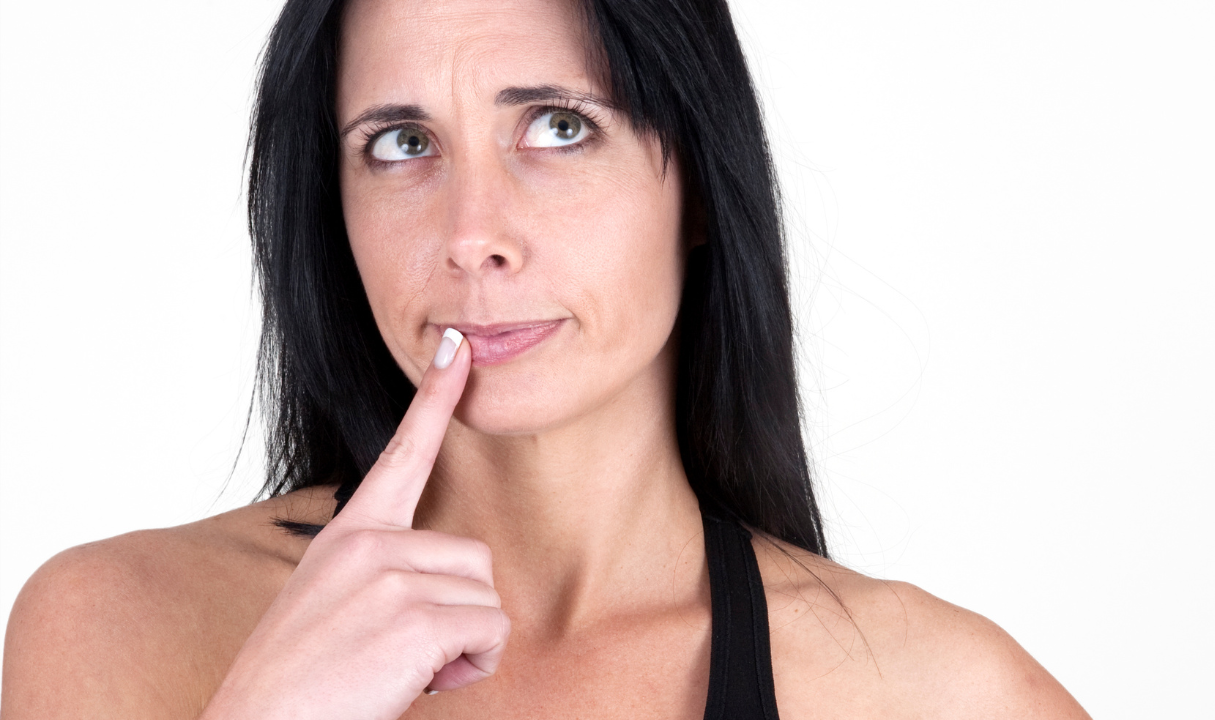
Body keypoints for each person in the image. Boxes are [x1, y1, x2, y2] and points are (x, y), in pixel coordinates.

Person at [2, 0, 1092, 717]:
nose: (471, 233)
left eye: (558, 127)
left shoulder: (938, 696)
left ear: (699, 185)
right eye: (402, 144)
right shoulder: (116, 629)